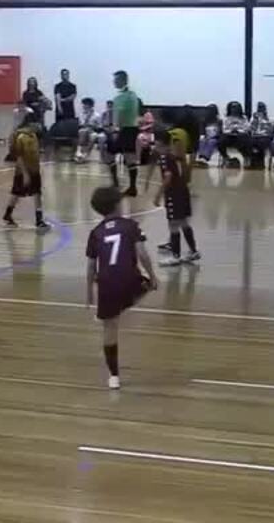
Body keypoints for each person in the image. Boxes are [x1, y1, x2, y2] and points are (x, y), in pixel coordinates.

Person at [86, 186, 159, 390]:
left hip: (106, 284)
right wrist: (153, 277)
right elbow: (142, 254)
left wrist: (89, 294)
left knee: (110, 329)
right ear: (118, 204)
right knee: (146, 285)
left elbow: (91, 266)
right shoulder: (130, 226)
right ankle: (123, 303)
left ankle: (113, 377)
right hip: (129, 280)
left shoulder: (96, 232)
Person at [153, 130, 202, 267]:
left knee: (173, 224)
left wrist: (158, 195)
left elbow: (168, 177)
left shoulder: (164, 157)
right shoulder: (174, 156)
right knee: (183, 222)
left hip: (174, 193)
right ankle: (193, 251)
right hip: (183, 191)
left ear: (161, 144)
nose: (155, 148)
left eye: (156, 145)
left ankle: (176, 256)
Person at [3, 113, 50, 231]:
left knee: (37, 193)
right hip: (23, 171)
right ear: (31, 123)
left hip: (34, 169)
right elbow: (18, 157)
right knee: (17, 193)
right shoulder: (20, 137)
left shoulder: (33, 135)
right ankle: (8, 214)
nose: (39, 125)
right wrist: (25, 174)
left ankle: (39, 219)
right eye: (38, 123)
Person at [109, 70, 141, 196]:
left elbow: (120, 114)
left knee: (127, 157)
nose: (114, 82)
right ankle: (126, 185)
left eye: (116, 80)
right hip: (129, 129)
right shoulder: (130, 95)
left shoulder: (125, 96)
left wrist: (116, 129)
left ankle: (124, 185)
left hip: (126, 129)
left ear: (122, 80)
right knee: (126, 157)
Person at [218, 101, 251, 167]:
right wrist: (231, 130)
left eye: (236, 107)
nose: (234, 109)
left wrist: (238, 131)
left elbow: (247, 128)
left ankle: (246, 157)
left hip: (241, 135)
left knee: (246, 139)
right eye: (233, 107)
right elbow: (224, 129)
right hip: (229, 135)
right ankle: (225, 157)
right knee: (221, 140)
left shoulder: (244, 118)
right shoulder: (226, 118)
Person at [75, 97, 105, 163]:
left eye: (86, 104)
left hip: (93, 131)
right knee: (83, 131)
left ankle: (85, 155)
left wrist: (93, 127)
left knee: (93, 136)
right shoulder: (81, 114)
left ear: (91, 105)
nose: (84, 106)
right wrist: (87, 117)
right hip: (84, 130)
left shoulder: (97, 115)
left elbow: (100, 126)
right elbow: (81, 124)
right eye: (83, 104)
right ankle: (78, 151)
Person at [248, 102, 274, 169]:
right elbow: (250, 128)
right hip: (255, 136)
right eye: (259, 108)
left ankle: (260, 163)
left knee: (261, 143)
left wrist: (264, 120)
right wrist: (255, 120)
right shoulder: (254, 117)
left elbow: (270, 129)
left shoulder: (269, 118)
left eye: (262, 108)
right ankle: (253, 162)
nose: (260, 109)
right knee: (250, 143)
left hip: (265, 136)